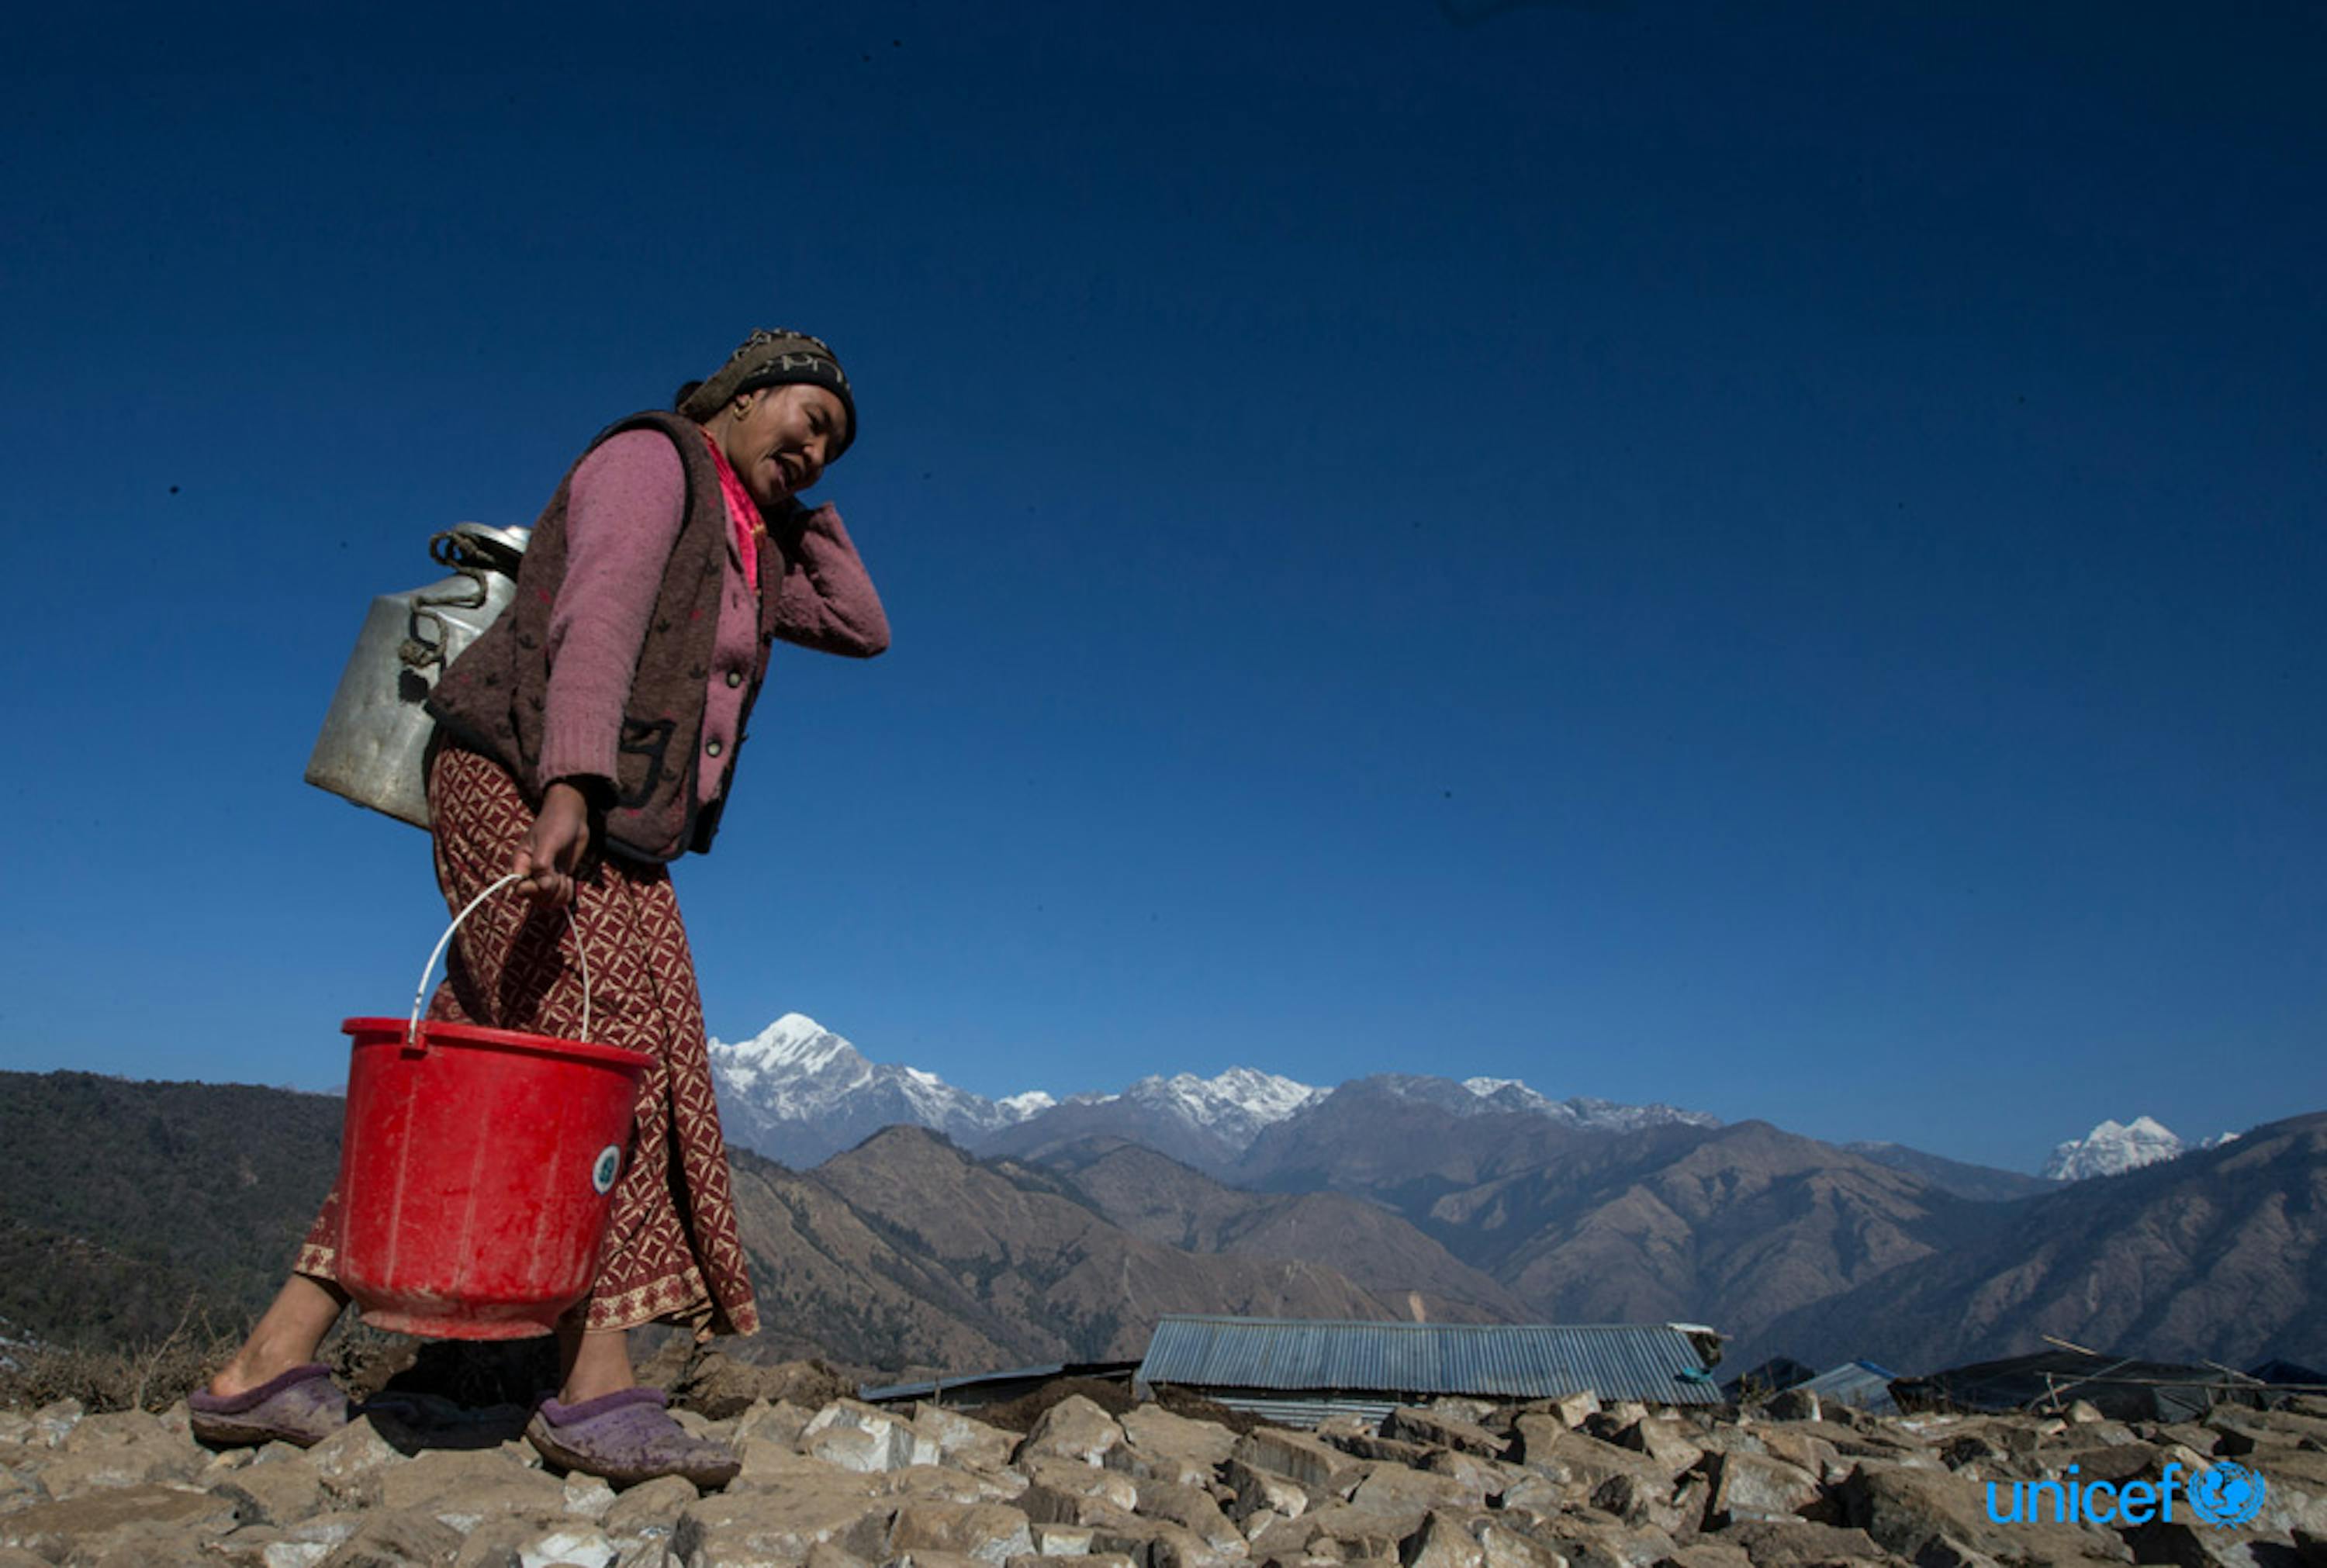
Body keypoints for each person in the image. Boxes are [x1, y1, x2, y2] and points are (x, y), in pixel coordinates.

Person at [188, 329, 890, 1487]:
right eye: (804, 419)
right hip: (529, 783)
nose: (817, 449)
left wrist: (802, 504)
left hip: (611, 825)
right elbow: (599, 614)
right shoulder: (649, 463)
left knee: (525, 1062)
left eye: (836, 444)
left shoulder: (750, 541)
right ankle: (594, 1390)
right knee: (594, 1057)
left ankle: (270, 1359)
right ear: (739, 394)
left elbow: (862, 625)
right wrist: (567, 781)